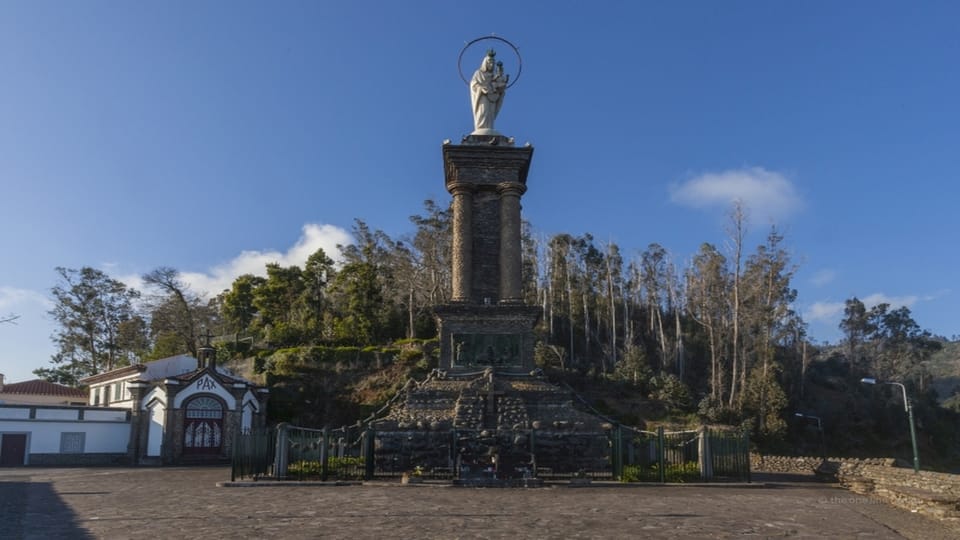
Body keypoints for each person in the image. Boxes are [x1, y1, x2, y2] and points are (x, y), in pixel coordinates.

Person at [470, 49, 508, 133]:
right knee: (482, 112)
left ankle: (489, 128)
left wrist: (500, 87)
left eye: (493, 63)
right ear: (485, 63)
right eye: (490, 63)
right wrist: (481, 88)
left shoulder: (494, 76)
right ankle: (481, 128)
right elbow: (473, 84)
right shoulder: (478, 73)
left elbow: (499, 85)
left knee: (490, 114)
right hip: (482, 97)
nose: (491, 65)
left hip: (492, 97)